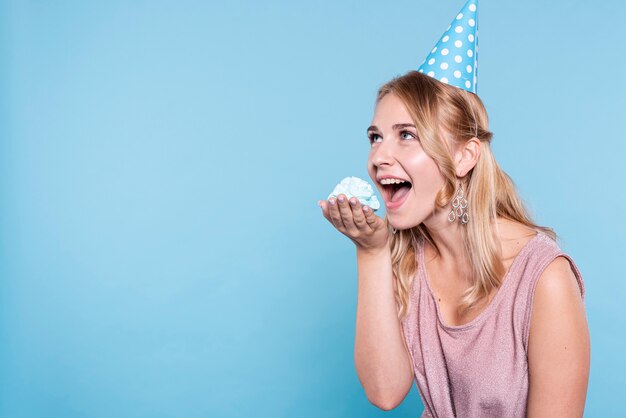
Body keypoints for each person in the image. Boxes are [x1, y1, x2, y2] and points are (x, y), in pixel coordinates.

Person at [317, 1, 589, 416]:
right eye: (375, 137)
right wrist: (371, 251)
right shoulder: (408, 257)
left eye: (406, 135)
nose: (379, 157)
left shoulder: (544, 279)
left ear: (464, 157)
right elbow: (385, 391)